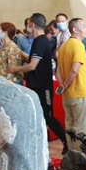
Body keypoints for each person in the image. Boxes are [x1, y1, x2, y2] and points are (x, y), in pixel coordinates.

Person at [8, 13, 69, 155]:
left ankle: (66, 141)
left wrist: (15, 69)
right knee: (39, 116)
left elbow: (32, 65)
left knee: (48, 116)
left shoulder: (40, 41)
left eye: (29, 23)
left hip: (42, 86)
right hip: (36, 85)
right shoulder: (39, 41)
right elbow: (32, 60)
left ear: (32, 24)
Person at [56, 17, 86, 150]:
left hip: (67, 95)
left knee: (70, 126)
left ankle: (71, 153)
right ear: (75, 30)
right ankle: (80, 155)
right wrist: (66, 83)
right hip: (78, 92)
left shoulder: (63, 46)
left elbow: (58, 69)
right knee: (80, 127)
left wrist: (62, 84)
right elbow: (75, 69)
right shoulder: (78, 45)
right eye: (84, 27)